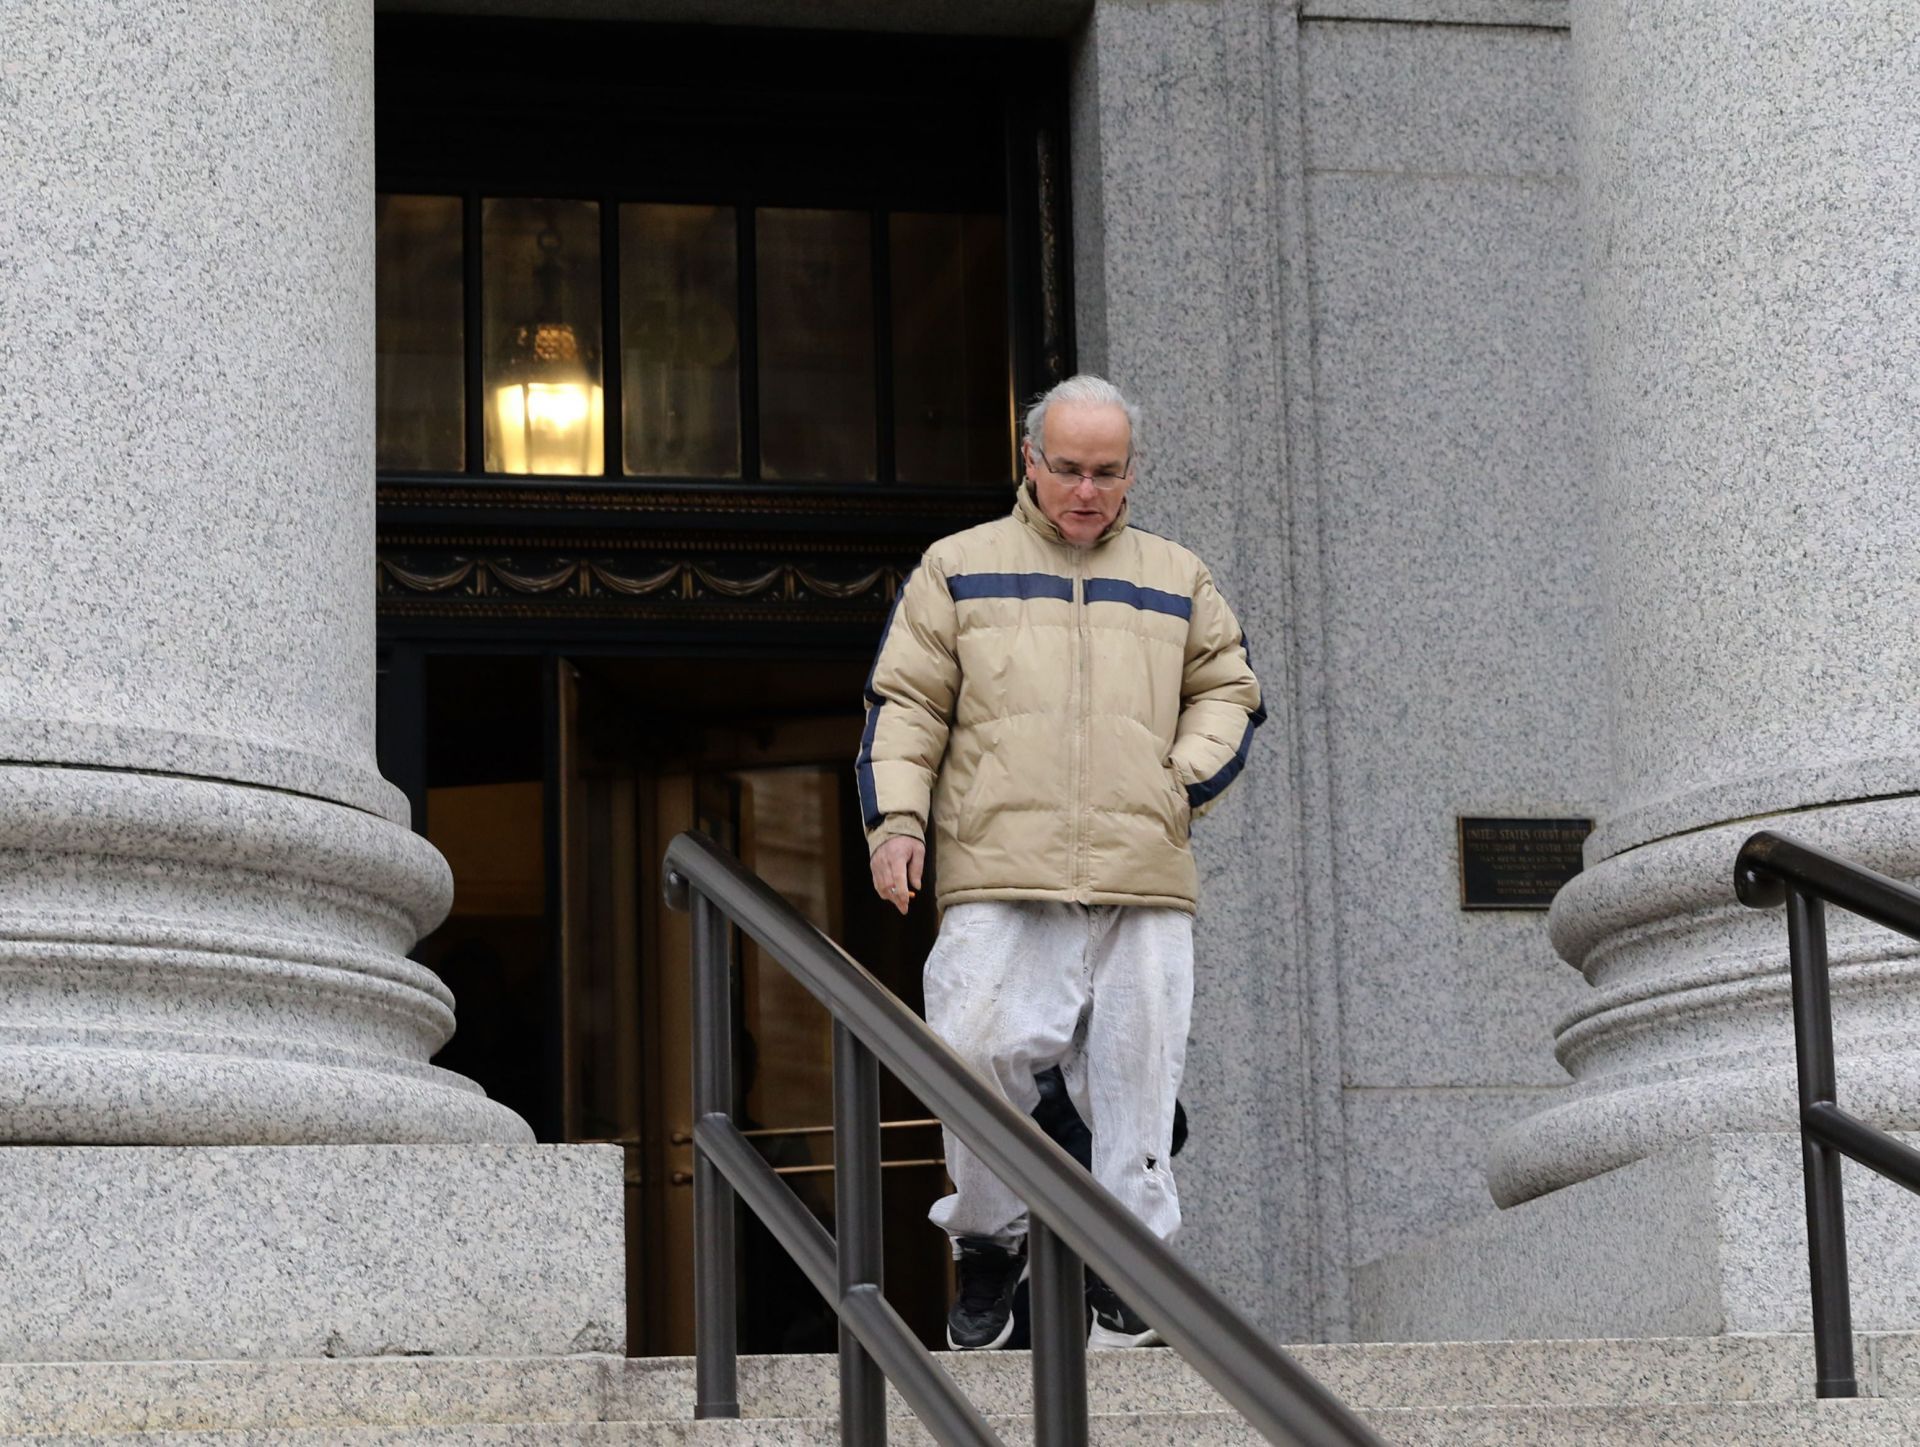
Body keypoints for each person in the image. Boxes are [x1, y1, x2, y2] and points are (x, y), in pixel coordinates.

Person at [856, 373, 1264, 1351]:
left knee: (1136, 1071)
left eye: (1108, 473)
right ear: (1030, 461)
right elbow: (905, 706)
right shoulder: (958, 567)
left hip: (1141, 873)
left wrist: (1178, 781)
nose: (1087, 489)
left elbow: (1231, 692)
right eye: (1069, 469)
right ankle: (992, 1238)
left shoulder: (1178, 574)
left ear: (1132, 474)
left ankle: (1131, 1264)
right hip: (1002, 863)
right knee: (974, 1046)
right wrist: (897, 823)